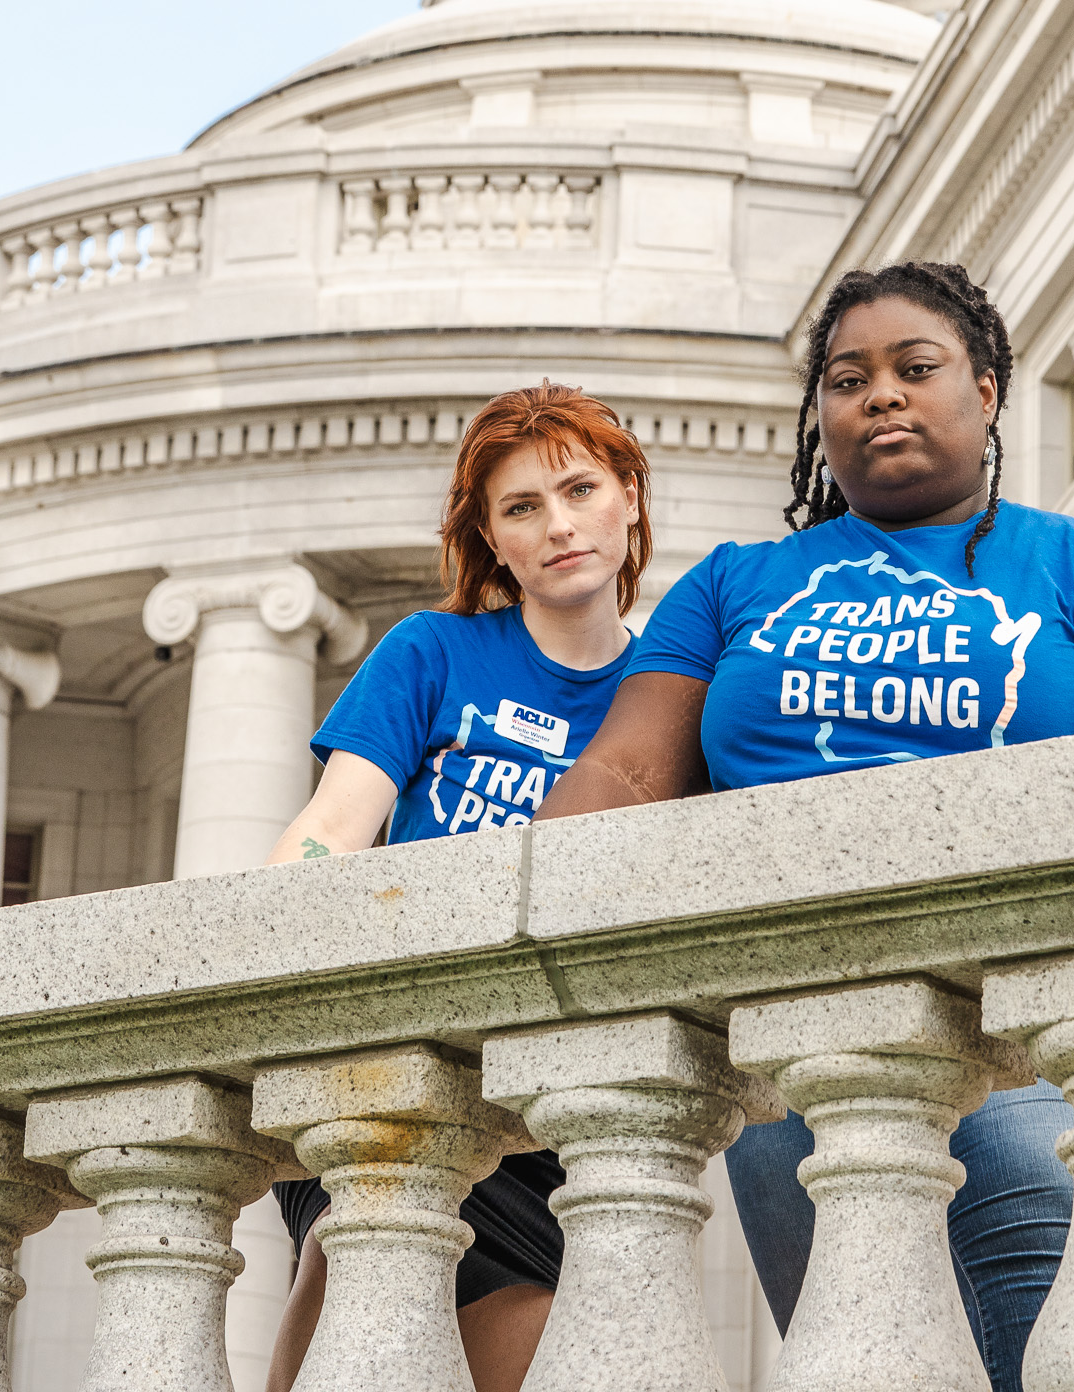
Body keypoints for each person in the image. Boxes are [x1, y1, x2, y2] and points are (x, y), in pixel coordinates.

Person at [536, 261, 1074, 1392]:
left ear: (988, 390)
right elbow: (622, 771)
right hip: (797, 1049)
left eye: (918, 368)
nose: (883, 397)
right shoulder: (736, 584)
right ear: (821, 418)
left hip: (1031, 1034)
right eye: (849, 380)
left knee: (1064, 1345)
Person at [261, 380, 653, 1392]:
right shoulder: (433, 651)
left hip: (551, 1112)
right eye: (522, 505)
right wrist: (264, 930)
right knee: (359, 1241)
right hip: (399, 1060)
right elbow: (333, 826)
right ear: (492, 535)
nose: (558, 524)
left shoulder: (672, 696)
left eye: (579, 488)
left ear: (630, 499)